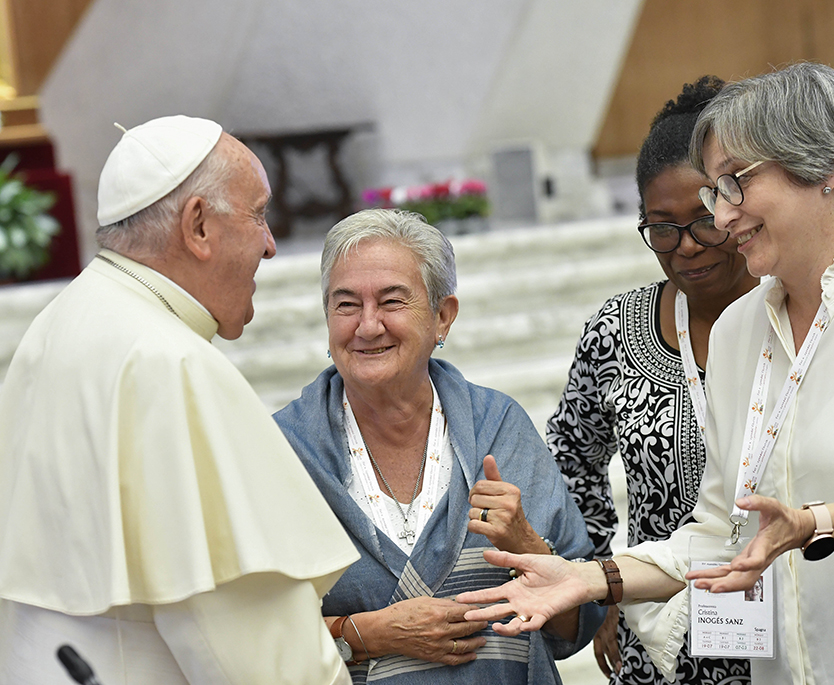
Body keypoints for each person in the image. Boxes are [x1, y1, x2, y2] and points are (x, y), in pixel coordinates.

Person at [460, 63, 834, 684]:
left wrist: (813, 524)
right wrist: (589, 579)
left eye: (734, 184)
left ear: (823, 168)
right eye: (715, 193)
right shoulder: (741, 329)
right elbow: (719, 532)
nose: (720, 218)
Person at [0, 115, 359, 685]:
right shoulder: (172, 364)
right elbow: (255, 653)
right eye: (258, 214)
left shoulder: (57, 326)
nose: (270, 245)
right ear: (197, 226)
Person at [273, 208, 605, 684]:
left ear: (442, 317)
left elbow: (576, 628)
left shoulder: (498, 427)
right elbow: (246, 636)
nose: (367, 326)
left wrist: (525, 544)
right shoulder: (285, 450)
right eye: (346, 305)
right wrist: (368, 634)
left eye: (391, 301)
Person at [547, 76, 753, 685]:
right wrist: (601, 581)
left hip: (795, 629)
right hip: (662, 641)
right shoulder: (615, 332)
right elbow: (571, 461)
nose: (686, 247)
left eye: (705, 219)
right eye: (662, 227)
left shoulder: (795, 315)